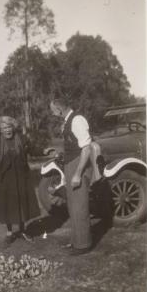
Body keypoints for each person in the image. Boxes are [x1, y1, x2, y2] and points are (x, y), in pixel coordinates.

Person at [0, 116, 40, 245]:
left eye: (9, 127)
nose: (7, 130)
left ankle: (23, 230)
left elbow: (33, 151)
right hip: (5, 178)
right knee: (7, 204)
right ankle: (9, 232)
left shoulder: (22, 139)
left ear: (13, 128)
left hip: (21, 177)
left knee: (22, 203)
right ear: (0, 130)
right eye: (4, 128)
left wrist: (45, 151)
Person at [50, 98, 93, 255]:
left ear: (60, 109)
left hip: (78, 166)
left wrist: (78, 173)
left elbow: (86, 148)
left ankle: (83, 245)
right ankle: (76, 241)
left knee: (80, 205)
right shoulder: (68, 120)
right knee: (73, 206)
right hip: (71, 163)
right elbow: (72, 144)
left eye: (53, 110)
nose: (52, 113)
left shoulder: (77, 120)